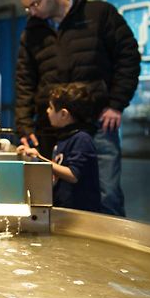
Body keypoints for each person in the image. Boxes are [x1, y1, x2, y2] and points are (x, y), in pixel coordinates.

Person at [15, 0, 140, 216]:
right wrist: (25, 124)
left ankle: (112, 254)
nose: (32, 12)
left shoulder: (100, 14)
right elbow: (25, 80)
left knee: (107, 194)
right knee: (58, 198)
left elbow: (128, 57)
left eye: (35, 4)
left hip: (98, 124)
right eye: (27, 8)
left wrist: (116, 103)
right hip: (52, 131)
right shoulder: (33, 32)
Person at [17, 83, 102, 213]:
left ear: (63, 114)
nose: (47, 111)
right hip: (65, 209)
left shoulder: (82, 139)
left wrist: (40, 159)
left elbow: (73, 174)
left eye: (50, 108)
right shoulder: (65, 137)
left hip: (80, 214)